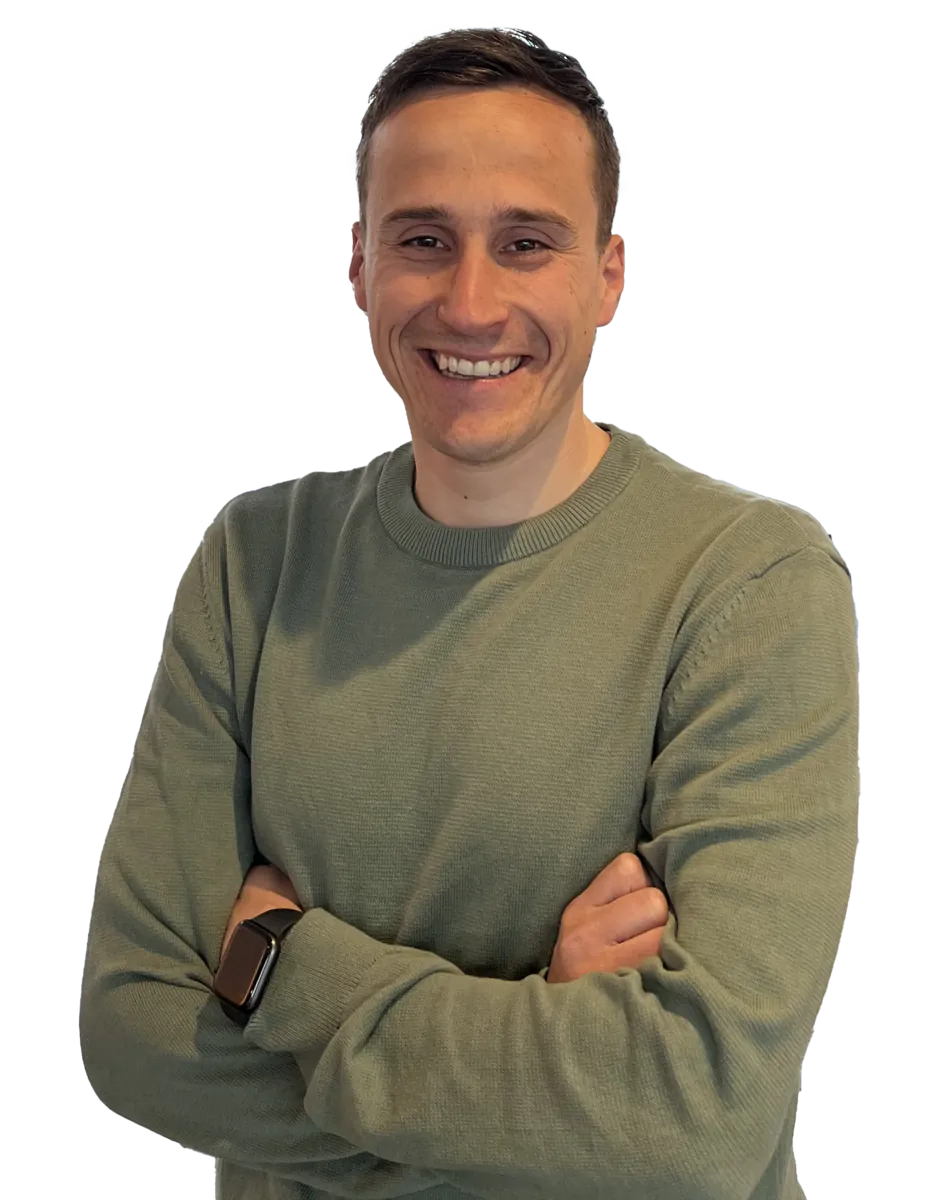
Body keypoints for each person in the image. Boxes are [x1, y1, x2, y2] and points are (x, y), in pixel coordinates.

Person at [80, 26, 858, 1200]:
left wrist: (280, 962)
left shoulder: (747, 583)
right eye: (423, 240)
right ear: (359, 266)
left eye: (527, 243)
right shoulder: (254, 563)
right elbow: (138, 1036)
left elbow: (696, 1113)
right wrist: (544, 1051)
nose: (471, 301)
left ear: (609, 273)